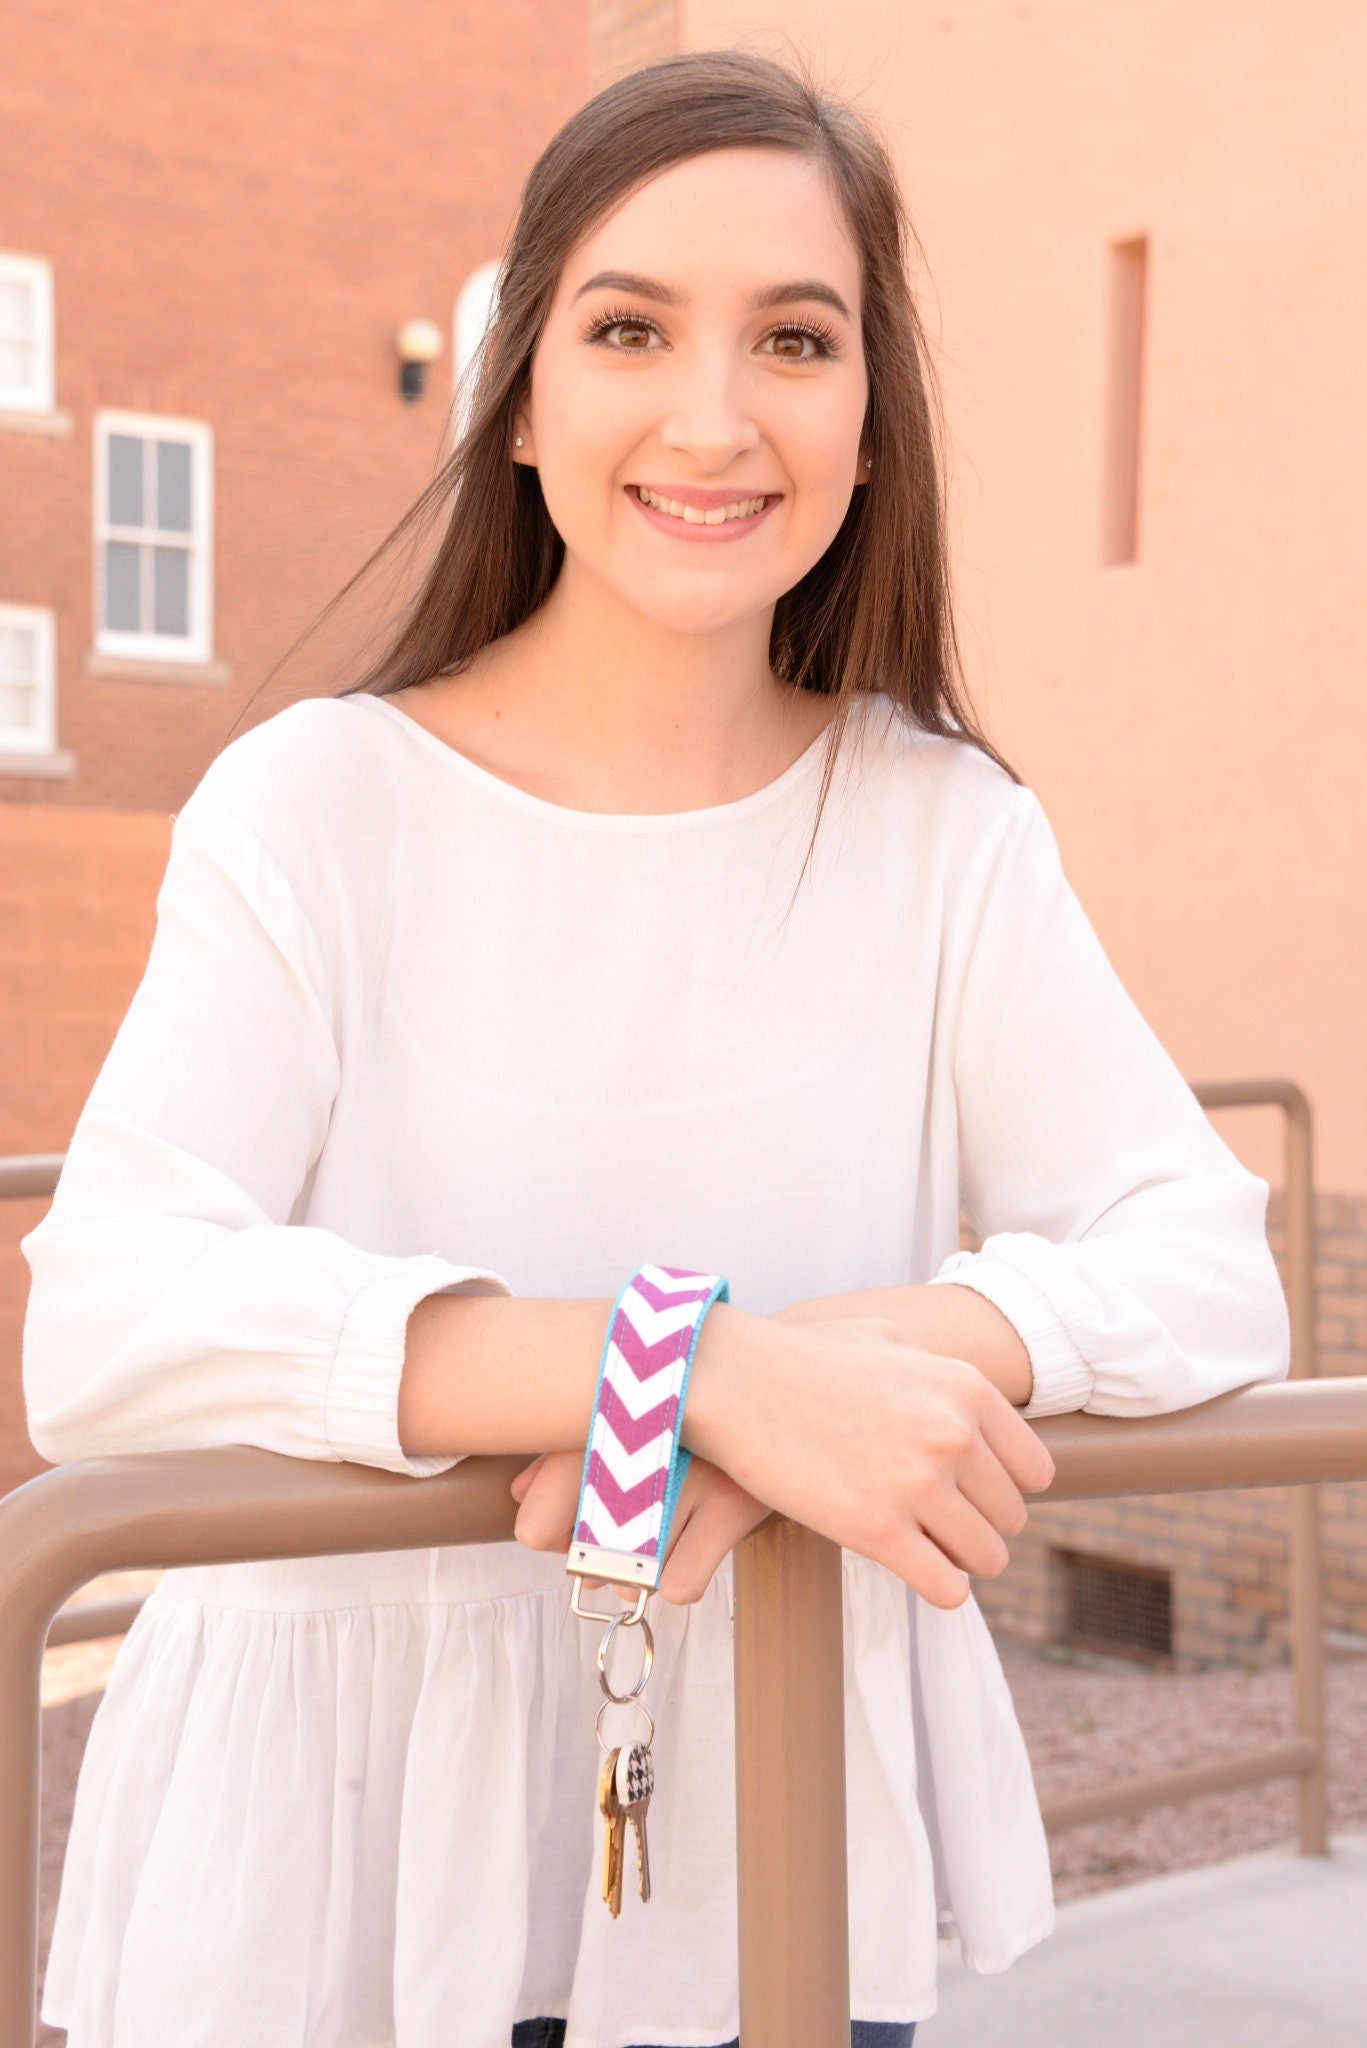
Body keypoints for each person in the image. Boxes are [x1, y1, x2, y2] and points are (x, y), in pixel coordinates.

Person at [21, 48, 1290, 2048]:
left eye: (797, 338)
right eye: (630, 328)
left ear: (874, 423)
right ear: (521, 392)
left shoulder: (938, 828)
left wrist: (859, 1367)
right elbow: (103, 1319)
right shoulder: (316, 806)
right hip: (337, 1894)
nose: (715, 417)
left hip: (758, 1854)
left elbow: (1202, 1249)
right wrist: (685, 1366)